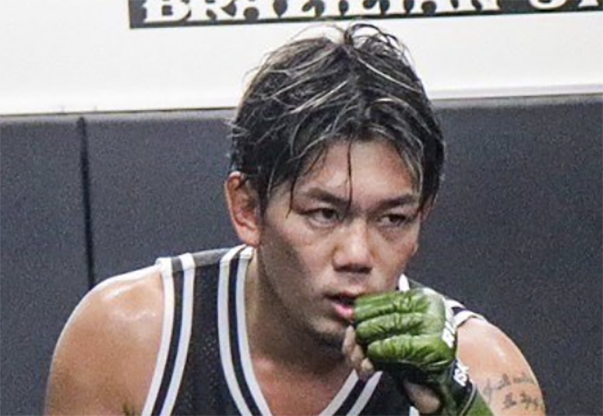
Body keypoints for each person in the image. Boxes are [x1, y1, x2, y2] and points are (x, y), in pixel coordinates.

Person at [44, 24, 546, 416]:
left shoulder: (481, 369)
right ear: (248, 208)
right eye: (324, 214)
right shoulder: (131, 341)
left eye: (393, 218)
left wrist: (457, 407)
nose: (357, 255)